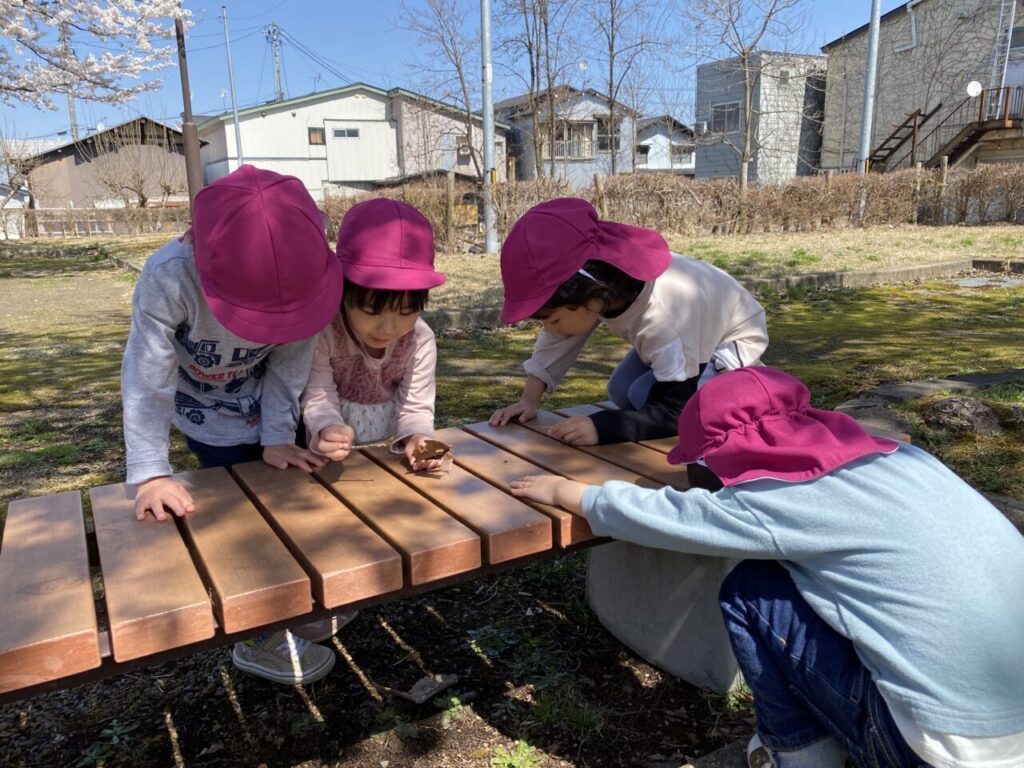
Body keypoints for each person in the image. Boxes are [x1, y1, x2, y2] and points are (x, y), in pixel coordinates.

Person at [509, 367, 1024, 768]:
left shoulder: (781, 500)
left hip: (941, 748)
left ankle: (798, 754)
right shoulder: (903, 462)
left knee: (753, 589)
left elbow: (671, 517)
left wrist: (568, 491)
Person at [121, 164, 344, 686]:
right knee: (235, 525)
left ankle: (299, 603)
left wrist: (276, 437)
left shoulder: (308, 273)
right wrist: (151, 473)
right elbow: (147, 380)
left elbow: (289, 365)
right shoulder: (169, 277)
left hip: (268, 409)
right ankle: (258, 633)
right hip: (206, 418)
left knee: (292, 506)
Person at [489, 197, 768, 447]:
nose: (550, 329)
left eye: (554, 320)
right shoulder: (603, 286)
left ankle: (749, 391)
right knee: (622, 390)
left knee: (655, 399)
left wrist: (603, 428)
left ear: (589, 294)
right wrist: (529, 400)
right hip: (691, 334)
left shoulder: (662, 317)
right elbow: (558, 340)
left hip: (730, 343)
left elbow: (676, 411)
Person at [301, 198, 446, 470]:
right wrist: (327, 428)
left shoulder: (420, 340)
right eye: (370, 310)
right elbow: (318, 394)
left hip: (388, 457)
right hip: (328, 462)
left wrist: (418, 438)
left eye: (406, 312)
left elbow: (416, 407)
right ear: (342, 290)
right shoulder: (324, 332)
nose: (388, 328)